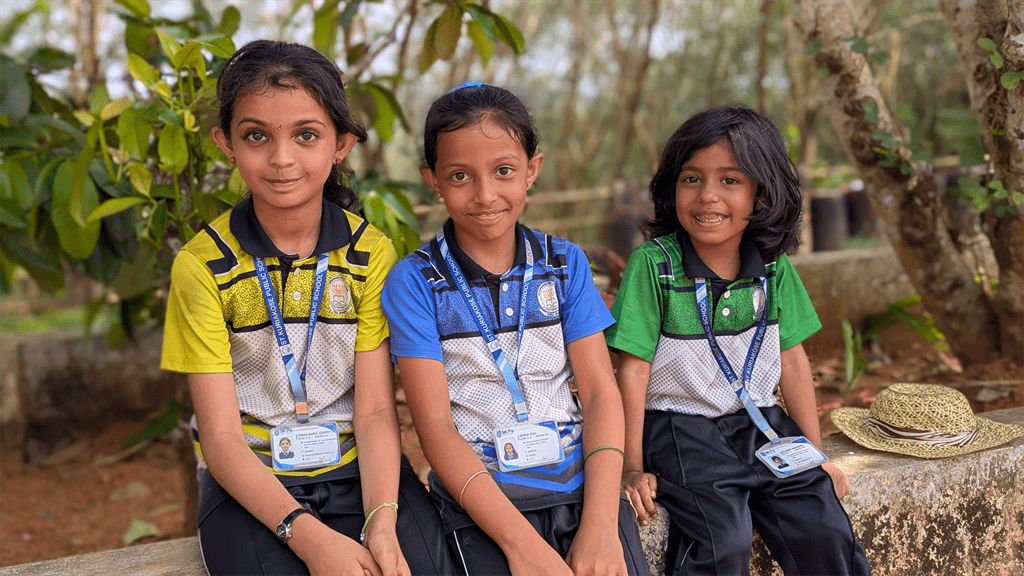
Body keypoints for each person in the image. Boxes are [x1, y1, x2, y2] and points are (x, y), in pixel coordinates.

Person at [161, 40, 452, 576]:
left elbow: (374, 412)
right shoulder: (201, 265)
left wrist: (381, 523)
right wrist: (310, 539)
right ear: (226, 143)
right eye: (256, 136)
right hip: (250, 479)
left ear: (341, 144)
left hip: (361, 470)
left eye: (306, 135)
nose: (281, 159)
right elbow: (221, 438)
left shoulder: (371, 254)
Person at [381, 83, 648, 576]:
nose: (485, 194)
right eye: (460, 175)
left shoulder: (564, 264)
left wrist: (600, 524)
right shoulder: (414, 282)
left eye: (503, 171)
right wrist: (519, 545)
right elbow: (434, 425)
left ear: (532, 170)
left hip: (584, 492)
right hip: (483, 505)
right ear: (432, 179)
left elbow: (599, 393)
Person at [606, 106, 871, 576]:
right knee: (722, 538)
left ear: (761, 193)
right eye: (691, 179)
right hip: (679, 426)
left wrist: (814, 455)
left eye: (730, 180)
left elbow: (793, 362)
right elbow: (633, 368)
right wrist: (632, 466)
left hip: (759, 421)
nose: (707, 195)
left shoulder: (773, 266)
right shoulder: (654, 265)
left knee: (824, 525)